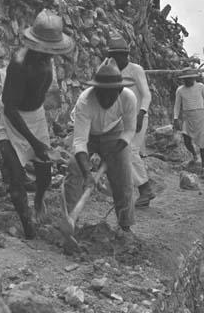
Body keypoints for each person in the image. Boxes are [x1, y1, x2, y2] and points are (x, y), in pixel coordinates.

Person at [0, 9, 75, 238]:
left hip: (35, 116)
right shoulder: (19, 65)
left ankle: (38, 200)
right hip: (11, 118)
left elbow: (43, 94)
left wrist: (40, 142)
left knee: (45, 174)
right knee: (16, 176)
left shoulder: (48, 60)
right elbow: (9, 108)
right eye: (43, 49)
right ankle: (27, 226)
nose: (48, 53)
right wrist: (34, 143)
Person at [63, 58, 137, 239]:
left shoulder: (128, 98)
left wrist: (113, 153)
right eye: (100, 93)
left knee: (123, 174)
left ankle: (125, 225)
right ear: (95, 89)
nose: (104, 99)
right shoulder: (85, 101)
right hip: (88, 135)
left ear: (119, 91)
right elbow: (79, 141)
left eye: (110, 95)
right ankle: (71, 221)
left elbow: (129, 131)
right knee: (74, 168)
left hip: (115, 132)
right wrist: (88, 174)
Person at [107, 36, 155, 208]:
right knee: (123, 154)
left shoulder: (136, 69)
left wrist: (141, 114)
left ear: (126, 55)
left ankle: (145, 189)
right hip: (122, 120)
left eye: (121, 56)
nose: (117, 59)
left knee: (131, 151)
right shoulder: (110, 70)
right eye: (114, 56)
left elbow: (147, 95)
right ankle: (134, 190)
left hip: (139, 117)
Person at [173, 69, 204, 178]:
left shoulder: (200, 86)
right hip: (187, 116)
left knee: (202, 141)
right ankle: (194, 155)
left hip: (199, 116)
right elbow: (177, 106)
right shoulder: (180, 90)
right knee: (186, 140)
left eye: (189, 79)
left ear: (194, 78)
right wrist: (175, 118)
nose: (187, 81)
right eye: (185, 79)